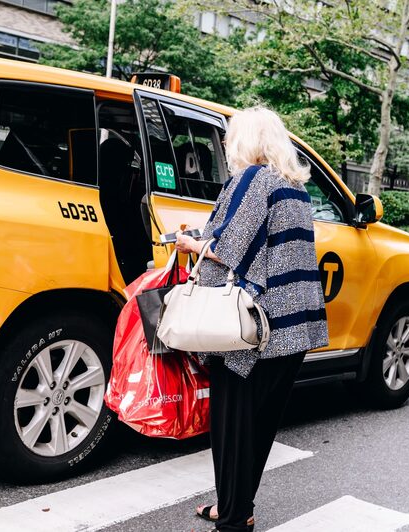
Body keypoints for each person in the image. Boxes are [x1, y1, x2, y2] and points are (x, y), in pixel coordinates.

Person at [174, 106, 329, 531]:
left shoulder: (252, 179)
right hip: (295, 327)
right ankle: (236, 507)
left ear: (246, 142)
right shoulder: (295, 189)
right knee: (258, 426)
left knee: (231, 426)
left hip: (255, 332)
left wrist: (190, 244)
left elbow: (231, 245)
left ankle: (234, 519)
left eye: (229, 137)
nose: (225, 145)